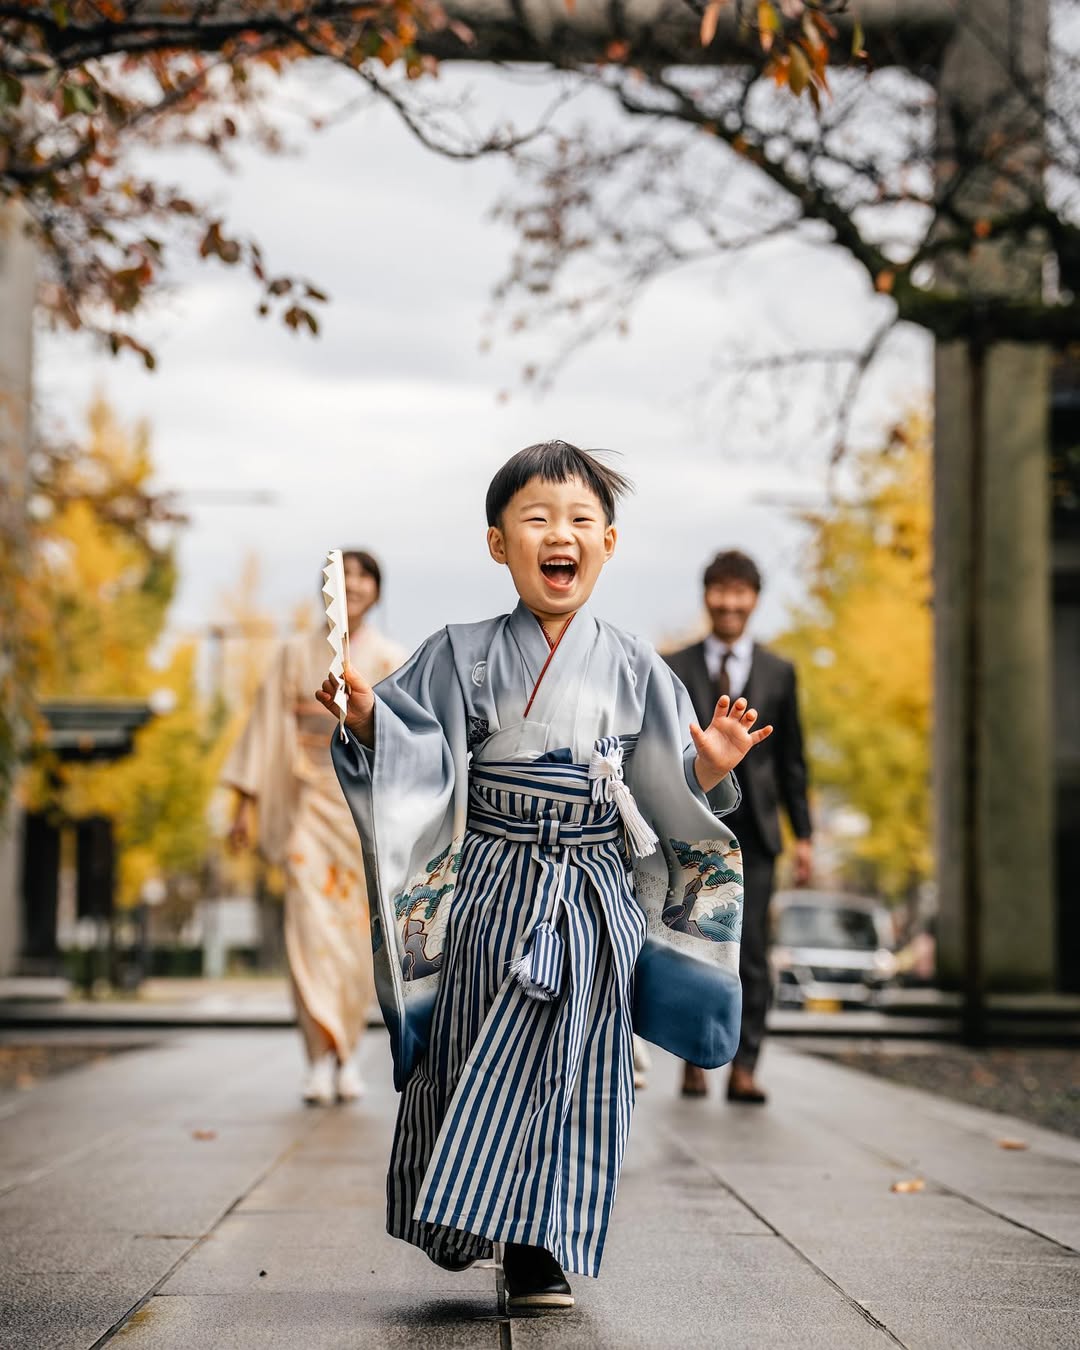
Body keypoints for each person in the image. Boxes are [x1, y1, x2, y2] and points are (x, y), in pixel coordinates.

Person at [317, 443, 774, 1313]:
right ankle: (466, 1212)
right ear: (499, 545)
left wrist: (706, 764)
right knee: (472, 1047)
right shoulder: (458, 652)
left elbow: (659, 792)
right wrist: (370, 713)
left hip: (592, 893)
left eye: (578, 521)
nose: (557, 535)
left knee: (578, 1062)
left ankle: (538, 1247)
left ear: (608, 543)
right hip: (490, 881)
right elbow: (417, 751)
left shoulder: (638, 662)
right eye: (535, 519)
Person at [224, 550, 406, 1106]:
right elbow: (264, 729)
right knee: (307, 930)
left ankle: (346, 1053)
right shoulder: (290, 656)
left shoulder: (391, 656)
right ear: (325, 588)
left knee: (354, 936)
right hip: (307, 800)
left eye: (363, 576)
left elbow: (406, 740)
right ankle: (315, 1059)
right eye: (342, 576)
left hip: (361, 809)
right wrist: (244, 805)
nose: (352, 584)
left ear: (377, 589)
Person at [665, 550, 812, 1105]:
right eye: (719, 591)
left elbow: (793, 761)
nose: (729, 603)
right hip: (695, 824)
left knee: (752, 951)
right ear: (706, 596)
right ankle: (693, 1059)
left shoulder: (780, 671)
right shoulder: (674, 666)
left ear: (754, 599)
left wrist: (805, 837)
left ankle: (746, 1065)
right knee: (692, 942)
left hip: (759, 834)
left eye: (740, 592)